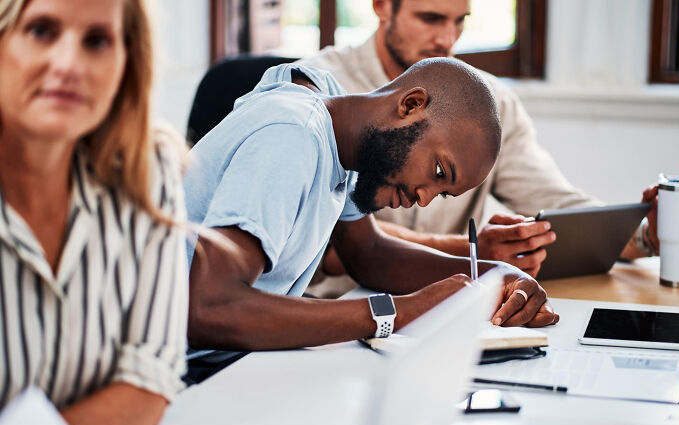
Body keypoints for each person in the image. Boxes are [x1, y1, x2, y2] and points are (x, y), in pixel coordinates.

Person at [184, 58, 559, 357]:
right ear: (411, 105)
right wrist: (396, 312)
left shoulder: (337, 116)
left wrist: (497, 276)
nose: (424, 198)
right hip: (174, 366)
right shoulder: (294, 134)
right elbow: (211, 307)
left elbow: (368, 253)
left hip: (228, 356)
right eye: (438, 171)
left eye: (442, 193)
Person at [300, 0, 655, 297]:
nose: (446, 38)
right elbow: (329, 241)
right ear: (381, 6)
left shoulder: (488, 106)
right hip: (336, 311)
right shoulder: (319, 95)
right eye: (431, 18)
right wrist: (471, 254)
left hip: (450, 309)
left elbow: (558, 207)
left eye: (460, 21)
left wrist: (648, 234)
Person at [0, 0, 190, 425]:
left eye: (97, 41)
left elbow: (148, 383)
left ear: (126, 62)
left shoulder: (148, 173)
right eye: (42, 30)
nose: (69, 65)